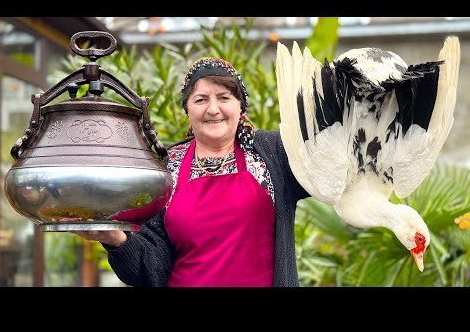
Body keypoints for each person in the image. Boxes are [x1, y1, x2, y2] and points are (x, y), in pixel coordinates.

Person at [73, 57, 310, 287]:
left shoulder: (274, 153)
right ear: (187, 109)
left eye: (224, 97)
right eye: (201, 100)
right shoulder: (166, 168)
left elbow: (326, 163)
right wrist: (113, 238)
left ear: (240, 106)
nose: (213, 109)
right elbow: (149, 268)